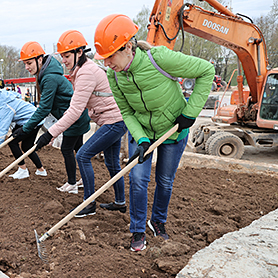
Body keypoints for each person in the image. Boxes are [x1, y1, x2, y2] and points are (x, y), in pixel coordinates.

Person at [94, 14, 215, 251]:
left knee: (165, 181)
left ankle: (157, 221)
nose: (107, 64)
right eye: (104, 59)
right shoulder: (114, 75)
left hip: (174, 129)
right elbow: (126, 111)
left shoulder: (159, 58)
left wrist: (189, 114)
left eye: (110, 57)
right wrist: (140, 138)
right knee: (138, 180)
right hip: (142, 132)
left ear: (127, 47)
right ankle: (138, 230)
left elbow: (206, 71)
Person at [35, 30, 128, 217]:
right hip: (111, 120)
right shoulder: (82, 70)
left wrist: (50, 133)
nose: (64, 60)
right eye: (62, 56)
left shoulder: (86, 72)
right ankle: (120, 202)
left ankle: (89, 203)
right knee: (111, 161)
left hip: (113, 121)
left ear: (79, 52)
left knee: (83, 155)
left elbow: (75, 111)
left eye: (67, 55)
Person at [14, 41, 91, 189]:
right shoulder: (45, 74)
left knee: (67, 149)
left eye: (29, 63)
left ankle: (72, 184)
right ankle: (84, 180)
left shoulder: (49, 78)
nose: (27, 67)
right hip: (75, 116)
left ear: (40, 59)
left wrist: (25, 129)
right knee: (78, 149)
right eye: (25, 64)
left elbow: (44, 108)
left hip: (73, 117)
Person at [0, 81, 47, 179]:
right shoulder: (2, 96)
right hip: (31, 119)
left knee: (12, 142)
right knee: (27, 147)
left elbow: (2, 133)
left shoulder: (4, 106)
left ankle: (23, 170)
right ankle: (41, 170)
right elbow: (16, 98)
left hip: (32, 120)